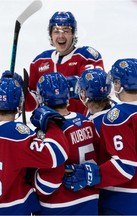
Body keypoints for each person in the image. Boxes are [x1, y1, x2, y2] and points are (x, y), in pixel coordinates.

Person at [63, 58, 137, 215]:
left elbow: (125, 167)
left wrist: (90, 175)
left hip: (125, 203)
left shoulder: (116, 118)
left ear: (118, 85)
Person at [0, 71, 69, 215]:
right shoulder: (17, 135)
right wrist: (51, 124)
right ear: (20, 103)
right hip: (13, 210)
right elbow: (56, 154)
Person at [31, 72, 101, 215]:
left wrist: (30, 179)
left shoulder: (48, 132)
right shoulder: (86, 121)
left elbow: (47, 185)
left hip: (58, 206)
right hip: (90, 203)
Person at [25, 11, 104, 115]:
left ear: (73, 34)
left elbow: (94, 86)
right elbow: (31, 105)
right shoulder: (39, 62)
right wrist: (21, 92)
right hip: (51, 126)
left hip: (81, 124)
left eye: (66, 31)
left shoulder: (87, 56)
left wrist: (57, 85)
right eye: (56, 31)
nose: (61, 36)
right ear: (51, 35)